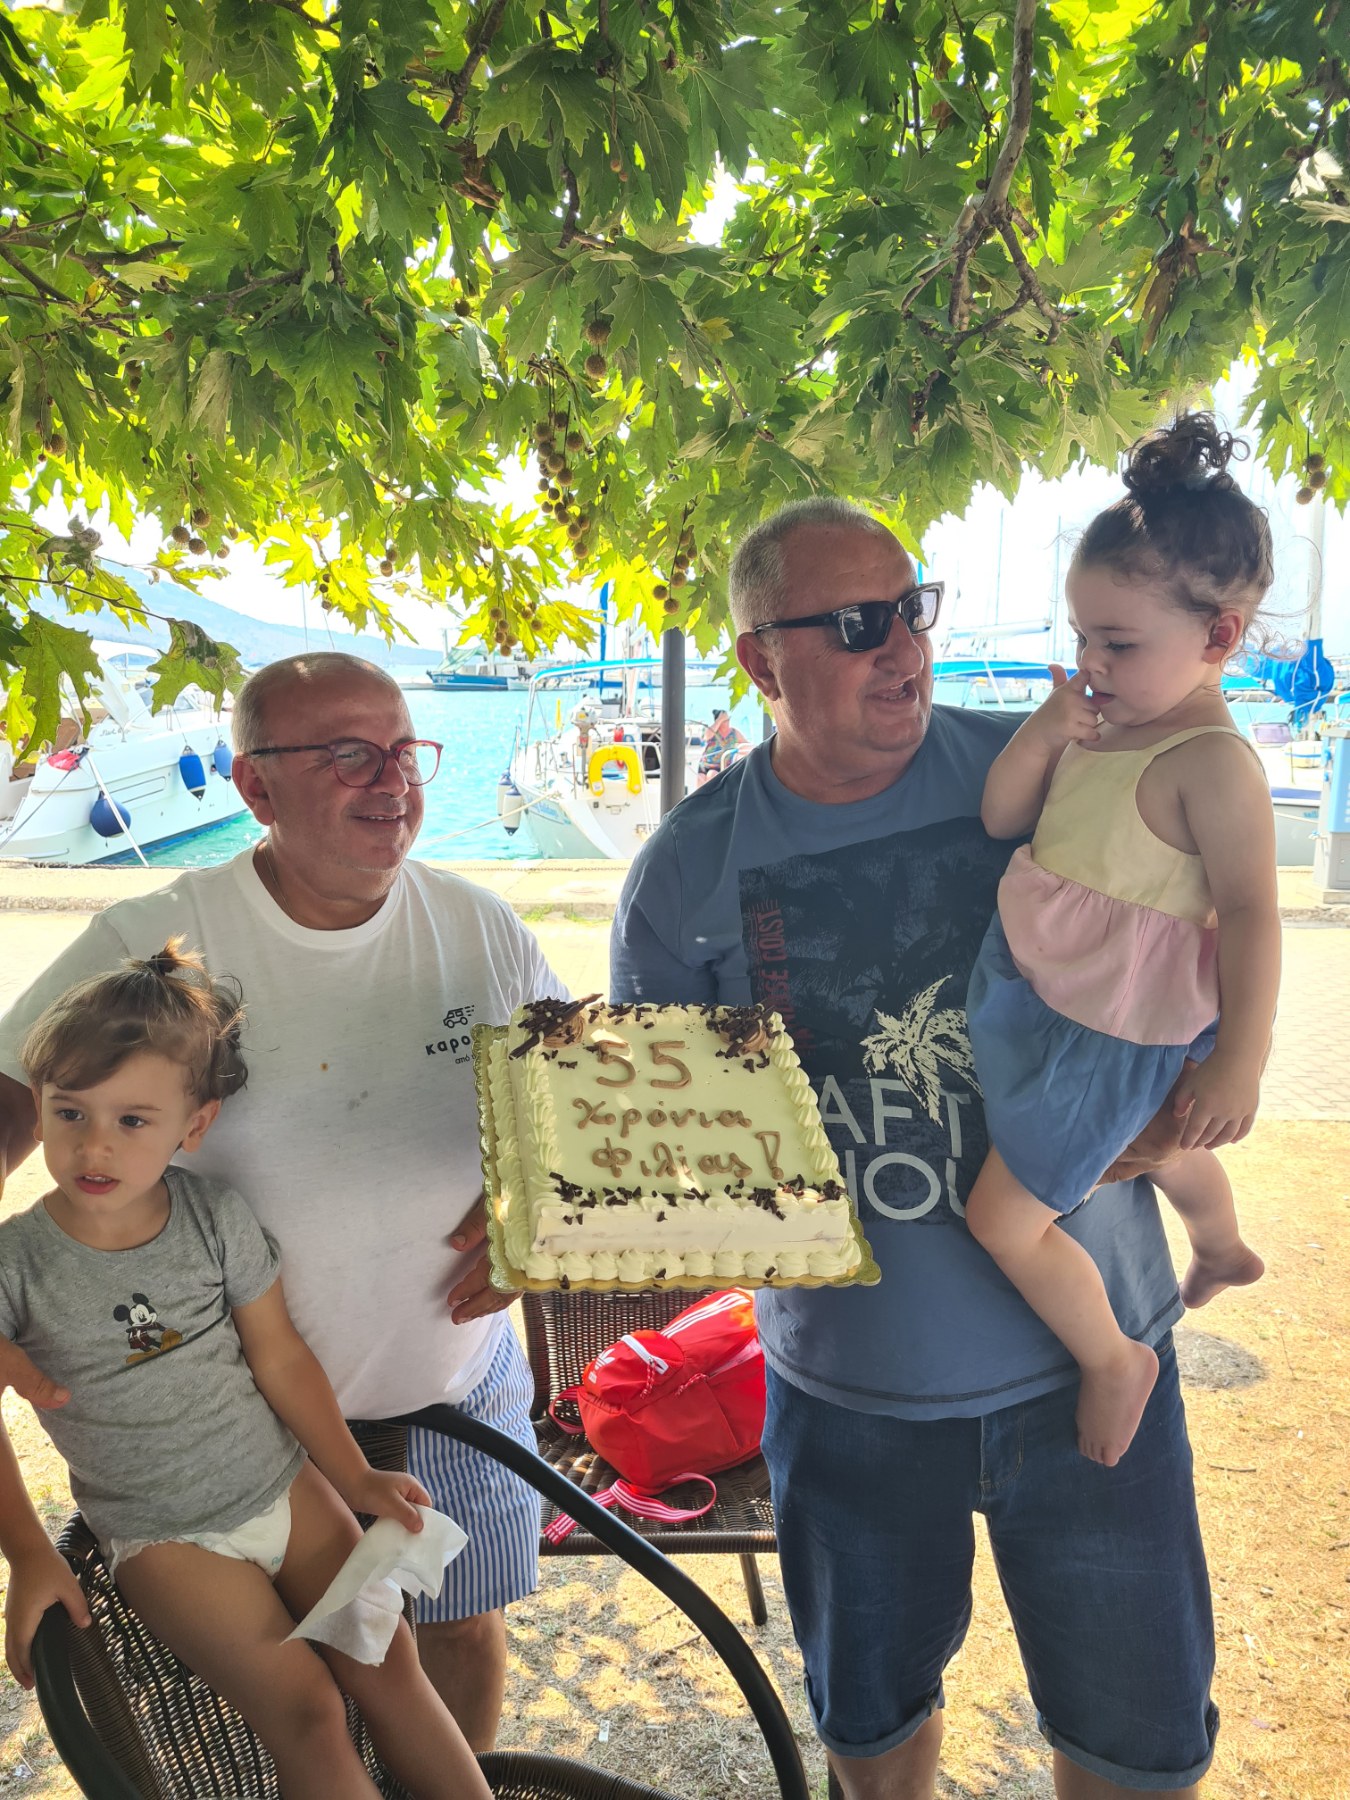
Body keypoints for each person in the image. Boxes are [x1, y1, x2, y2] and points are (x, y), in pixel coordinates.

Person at [611, 494, 1218, 1799]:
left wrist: (1186, 1099)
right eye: (853, 625)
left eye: (910, 609)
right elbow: (668, 1162)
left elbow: (1201, 944)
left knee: (1139, 1749)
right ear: (759, 659)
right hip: (849, 1402)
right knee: (873, 1741)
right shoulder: (683, 872)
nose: (901, 647)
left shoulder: (1056, 771)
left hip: (1092, 1368)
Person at [0, 651, 566, 1750]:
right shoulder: (156, 940)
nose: (391, 780)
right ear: (255, 785)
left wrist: (536, 1223)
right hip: (240, 1428)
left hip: (456, 1384)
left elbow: (574, 1109)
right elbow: (19, 1100)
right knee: (293, 1699)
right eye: (350, 754)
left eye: (404, 751)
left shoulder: (481, 926)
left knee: (456, 1634)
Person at [0, 944, 490, 1800]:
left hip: (287, 1487)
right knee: (305, 1711)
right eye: (70, 1111)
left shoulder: (214, 1217)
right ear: (36, 1106)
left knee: (389, 1662)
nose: (94, 1145)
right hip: (166, 1538)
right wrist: (29, 1554)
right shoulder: (15, 1265)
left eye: (133, 1120)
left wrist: (355, 1476)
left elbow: (280, 1356)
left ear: (195, 1125)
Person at [965, 416, 1276, 1469]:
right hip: (1055, 995)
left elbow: (1252, 913)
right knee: (1162, 1142)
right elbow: (1002, 816)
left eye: (1120, 643)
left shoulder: (1210, 762)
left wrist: (1242, 1059)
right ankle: (1221, 1247)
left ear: (1219, 636)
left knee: (1003, 1220)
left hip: (1111, 1022)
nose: (1091, 662)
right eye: (1083, 637)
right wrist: (1046, 729)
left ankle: (1112, 1359)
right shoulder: (1099, 726)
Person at [697, 708, 748, 784]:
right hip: (705, 764)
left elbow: (747, 744)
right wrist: (719, 720)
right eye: (725, 720)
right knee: (700, 779)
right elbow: (706, 737)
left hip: (721, 766)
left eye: (728, 719)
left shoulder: (734, 732)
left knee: (712, 775)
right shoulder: (712, 731)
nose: (728, 722)